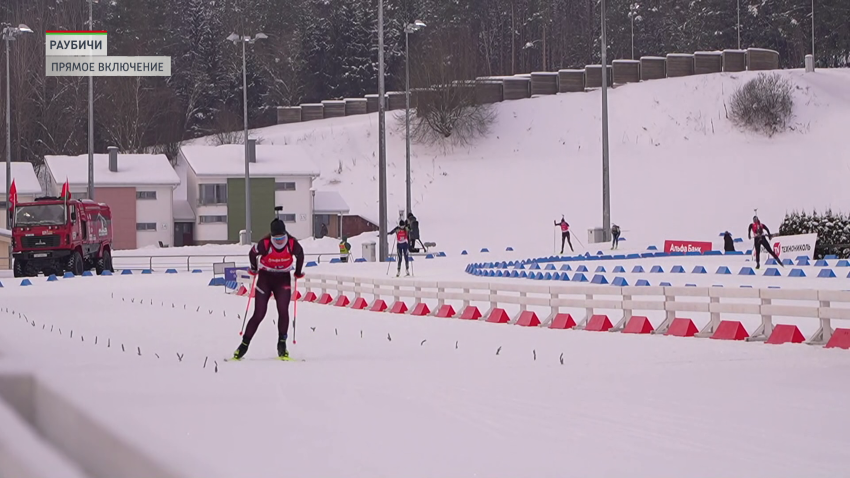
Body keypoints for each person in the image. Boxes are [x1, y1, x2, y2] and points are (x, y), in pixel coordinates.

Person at [232, 218, 305, 360]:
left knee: (283, 310)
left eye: (281, 237)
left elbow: (300, 254)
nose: (279, 241)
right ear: (271, 235)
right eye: (276, 238)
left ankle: (282, 345)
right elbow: (252, 253)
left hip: (283, 278)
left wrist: (297, 271)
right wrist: (254, 268)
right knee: (259, 313)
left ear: (285, 234)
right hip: (265, 278)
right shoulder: (265, 244)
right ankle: (243, 346)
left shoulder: (291, 243)